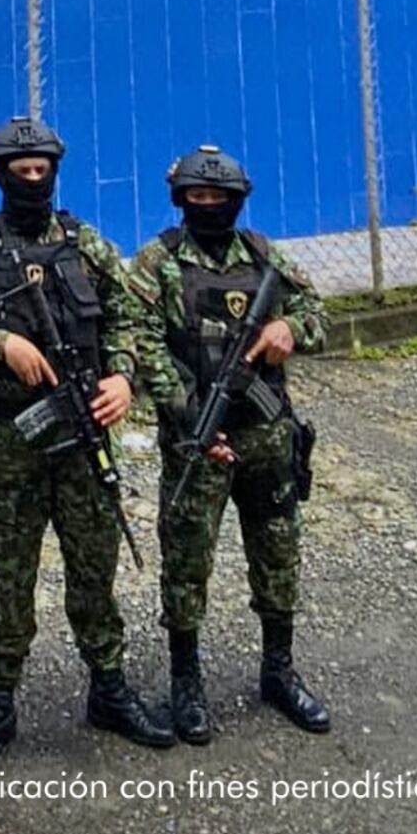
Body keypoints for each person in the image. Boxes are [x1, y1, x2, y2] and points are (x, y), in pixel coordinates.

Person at [0, 118, 174, 772]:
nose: (32, 178)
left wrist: (123, 377)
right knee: (10, 575)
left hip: (84, 435)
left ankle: (109, 687)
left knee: (94, 568)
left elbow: (127, 314)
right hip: (11, 437)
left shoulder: (84, 242)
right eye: (21, 170)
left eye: (42, 169)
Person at [127, 145, 330, 743]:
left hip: (267, 434)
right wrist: (191, 416)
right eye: (199, 196)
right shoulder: (158, 261)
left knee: (278, 552)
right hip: (197, 436)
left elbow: (316, 312)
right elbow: (138, 340)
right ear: (181, 199)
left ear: (238, 200)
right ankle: (186, 682)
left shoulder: (263, 255)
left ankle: (279, 670)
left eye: (220, 197)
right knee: (187, 561)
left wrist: (289, 327)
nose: (209, 204)